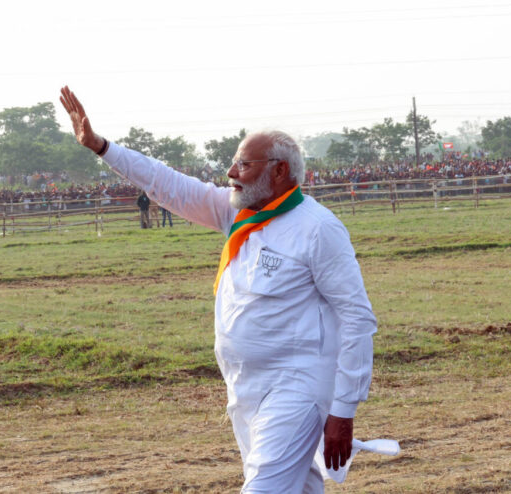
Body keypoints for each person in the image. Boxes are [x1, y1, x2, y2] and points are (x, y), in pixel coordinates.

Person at [60, 86, 376, 493]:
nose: (231, 173)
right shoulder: (237, 215)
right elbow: (166, 183)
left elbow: (357, 318)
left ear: (279, 171)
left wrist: (343, 409)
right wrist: (101, 147)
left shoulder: (318, 229)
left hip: (296, 388)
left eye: (243, 164)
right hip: (244, 387)